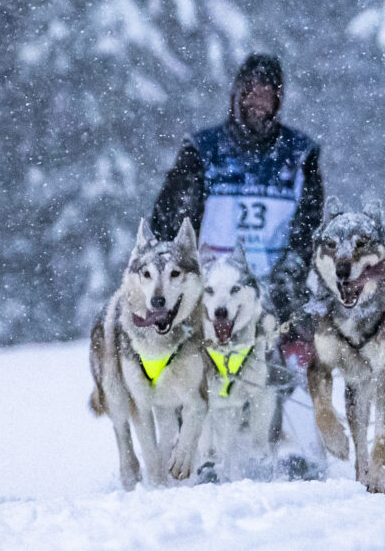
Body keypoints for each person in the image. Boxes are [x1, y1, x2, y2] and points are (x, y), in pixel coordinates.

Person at [149, 53, 325, 475]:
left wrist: (291, 272)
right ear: (236, 95)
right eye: (251, 94)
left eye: (268, 96)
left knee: (298, 350)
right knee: (191, 360)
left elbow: (308, 227)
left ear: (279, 101)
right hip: (211, 288)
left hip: (275, 285)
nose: (259, 104)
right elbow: (166, 223)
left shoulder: (301, 154)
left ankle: (300, 451)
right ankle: (194, 456)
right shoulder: (202, 150)